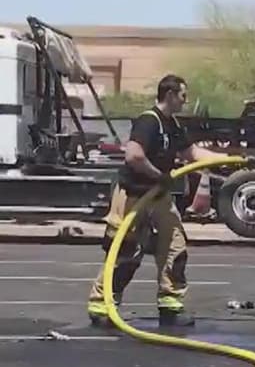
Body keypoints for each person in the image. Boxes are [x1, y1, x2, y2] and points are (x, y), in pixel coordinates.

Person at [87, 75, 228, 328]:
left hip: (159, 195)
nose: (185, 101)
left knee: (175, 245)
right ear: (170, 95)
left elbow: (192, 153)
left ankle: (170, 305)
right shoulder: (148, 121)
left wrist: (227, 160)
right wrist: (158, 175)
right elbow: (134, 156)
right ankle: (102, 305)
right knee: (125, 252)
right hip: (133, 195)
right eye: (183, 95)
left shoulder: (172, 124)